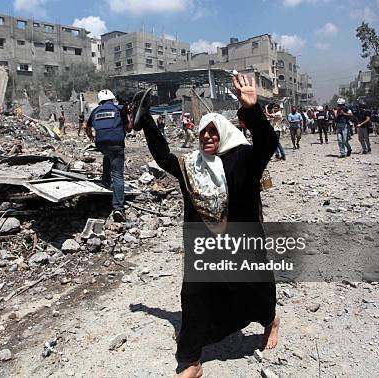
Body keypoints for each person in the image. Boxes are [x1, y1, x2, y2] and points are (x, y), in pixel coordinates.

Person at [134, 73, 279, 378]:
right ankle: (190, 361)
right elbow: (163, 156)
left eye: (214, 133)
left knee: (257, 290)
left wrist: (252, 109)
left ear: (224, 132)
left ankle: (270, 320)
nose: (208, 138)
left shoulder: (245, 159)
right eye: (203, 134)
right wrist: (146, 121)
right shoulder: (192, 166)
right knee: (194, 296)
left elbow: (267, 142)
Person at [85, 89, 132, 222]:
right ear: (112, 99)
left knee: (107, 155)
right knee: (118, 175)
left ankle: (105, 181)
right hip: (116, 144)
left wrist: (91, 137)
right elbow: (129, 128)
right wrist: (130, 116)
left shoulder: (95, 111)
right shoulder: (120, 108)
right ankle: (118, 208)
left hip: (101, 144)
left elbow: (87, 127)